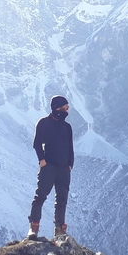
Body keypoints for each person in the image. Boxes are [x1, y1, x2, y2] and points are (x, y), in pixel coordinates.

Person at [28, 95, 74, 239]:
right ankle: (34, 227)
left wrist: (70, 164)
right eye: (64, 108)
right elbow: (37, 143)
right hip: (49, 166)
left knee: (62, 199)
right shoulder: (44, 123)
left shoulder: (67, 127)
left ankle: (60, 230)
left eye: (67, 108)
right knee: (40, 196)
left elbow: (70, 147)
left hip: (64, 168)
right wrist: (42, 161)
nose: (66, 111)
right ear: (57, 108)